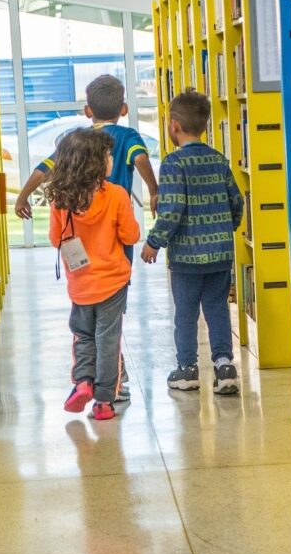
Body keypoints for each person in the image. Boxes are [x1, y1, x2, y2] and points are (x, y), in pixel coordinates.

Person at [140, 91, 244, 395]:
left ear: (174, 126)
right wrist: (226, 229)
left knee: (185, 312)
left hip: (187, 257)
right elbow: (236, 202)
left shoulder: (173, 164)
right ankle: (225, 366)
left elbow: (171, 209)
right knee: (217, 309)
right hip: (220, 254)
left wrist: (154, 242)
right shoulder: (218, 160)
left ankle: (187, 369)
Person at [47, 128, 140, 420]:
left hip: (81, 283)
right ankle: (103, 402)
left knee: (83, 336)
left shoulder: (60, 200)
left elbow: (55, 239)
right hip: (113, 281)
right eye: (107, 155)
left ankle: (83, 382)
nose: (111, 159)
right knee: (108, 338)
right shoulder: (116, 195)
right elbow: (130, 235)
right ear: (96, 163)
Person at [15, 74, 158, 220]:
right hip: (116, 219)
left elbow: (43, 170)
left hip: (83, 221)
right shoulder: (128, 136)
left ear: (87, 111)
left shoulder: (75, 140)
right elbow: (140, 158)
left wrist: (22, 198)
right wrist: (154, 191)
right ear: (124, 109)